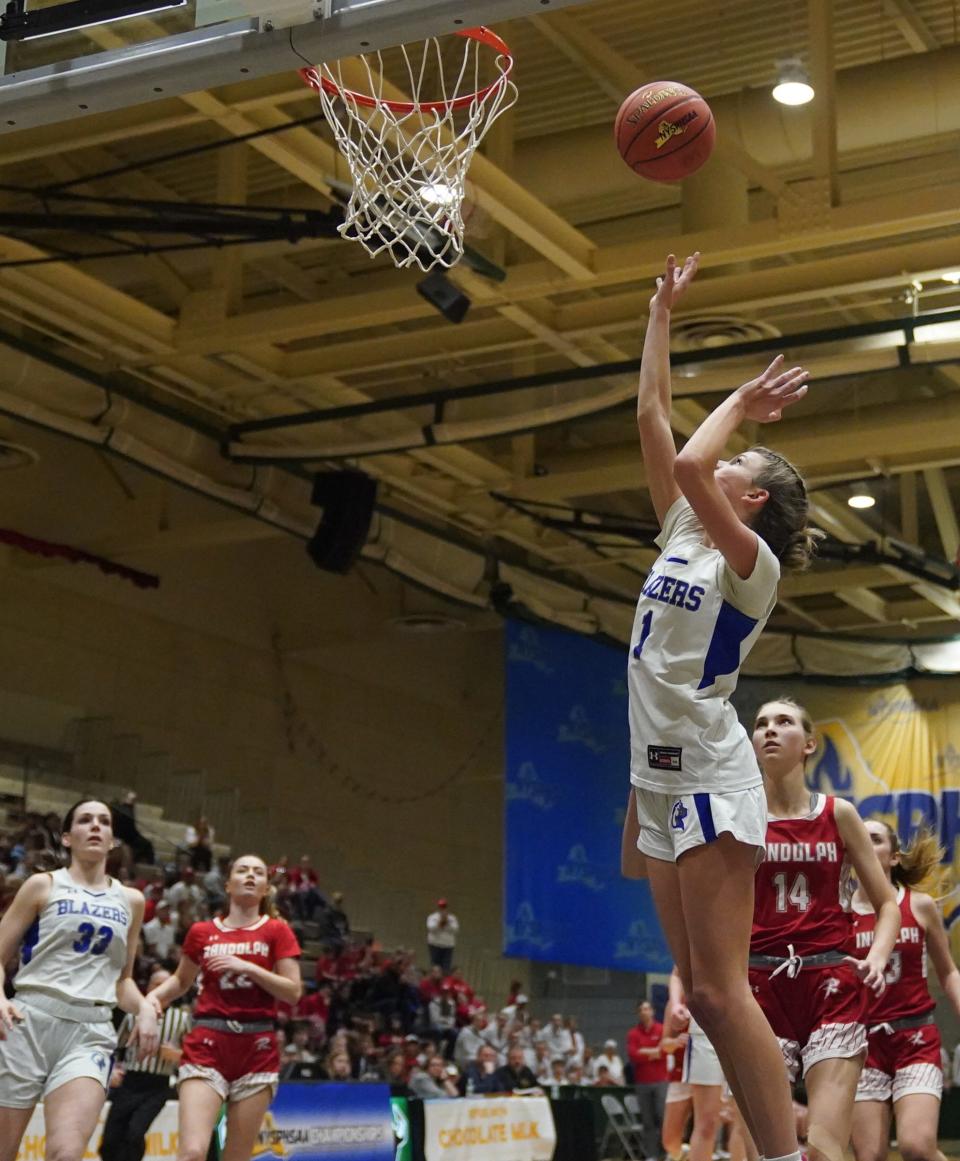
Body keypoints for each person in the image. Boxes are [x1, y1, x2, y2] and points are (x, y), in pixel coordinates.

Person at [628, 250, 820, 1161]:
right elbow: (654, 419)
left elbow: (697, 454)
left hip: (709, 771)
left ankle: (785, 1156)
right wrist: (662, 312)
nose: (719, 461)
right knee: (697, 992)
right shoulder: (683, 527)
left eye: (737, 462)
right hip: (658, 773)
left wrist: (742, 403)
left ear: (750, 498)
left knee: (724, 988)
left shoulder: (751, 566)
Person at [750, 699, 900, 1161]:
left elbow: (887, 903)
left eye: (784, 722)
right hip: (759, 986)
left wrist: (876, 956)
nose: (770, 730)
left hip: (829, 982)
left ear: (809, 744)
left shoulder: (838, 814)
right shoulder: (739, 816)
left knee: (824, 1149)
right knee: (767, 1152)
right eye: (760, 724)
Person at [0, 798, 159, 1161]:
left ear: (112, 841)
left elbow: (124, 981)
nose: (96, 826)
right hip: (27, 1021)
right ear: (68, 838)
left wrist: (145, 1008)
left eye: (104, 821)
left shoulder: (131, 900)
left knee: (68, 1152)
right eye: (85, 820)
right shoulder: (41, 886)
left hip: (90, 1031)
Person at [148, 853, 302, 1161]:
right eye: (242, 871)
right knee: (192, 1151)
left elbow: (293, 992)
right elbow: (180, 981)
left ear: (265, 888)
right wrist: (151, 1001)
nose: (250, 876)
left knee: (236, 1156)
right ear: (228, 885)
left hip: (257, 1046)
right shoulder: (202, 932)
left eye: (258, 872)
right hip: (208, 1040)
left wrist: (248, 968)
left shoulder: (276, 931)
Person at [850, 821, 960, 1161]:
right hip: (862, 1044)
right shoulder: (837, 912)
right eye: (859, 839)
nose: (866, 844)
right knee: (869, 1156)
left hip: (915, 1038)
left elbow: (948, 973)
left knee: (916, 1146)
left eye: (876, 839)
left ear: (894, 857)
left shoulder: (920, 905)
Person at [100, 966, 192, 1161]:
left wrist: (176, 1055)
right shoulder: (134, 1014)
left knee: (134, 1133)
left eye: (166, 985)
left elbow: (194, 1056)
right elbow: (115, 1048)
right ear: (148, 987)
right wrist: (111, 1072)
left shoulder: (181, 1019)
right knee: (111, 1138)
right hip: (130, 1080)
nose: (161, 989)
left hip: (158, 1085)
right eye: (156, 984)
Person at [627, 999, 669, 1161]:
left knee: (663, 1117)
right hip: (642, 1083)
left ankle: (666, 1153)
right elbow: (633, 1055)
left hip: (660, 1081)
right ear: (638, 1013)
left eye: (647, 1008)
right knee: (648, 1120)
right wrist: (654, 1052)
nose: (645, 1012)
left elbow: (665, 1051)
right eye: (641, 1009)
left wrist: (644, 1051)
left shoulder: (662, 1029)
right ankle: (651, 1155)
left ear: (652, 1011)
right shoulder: (633, 1034)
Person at [426, 899, 458, 973]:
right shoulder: (432, 917)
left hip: (448, 945)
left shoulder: (452, 918)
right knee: (435, 966)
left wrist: (447, 922)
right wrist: (440, 923)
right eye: (441, 907)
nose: (442, 908)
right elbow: (431, 928)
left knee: (446, 968)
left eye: (444, 907)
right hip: (435, 944)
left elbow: (455, 929)